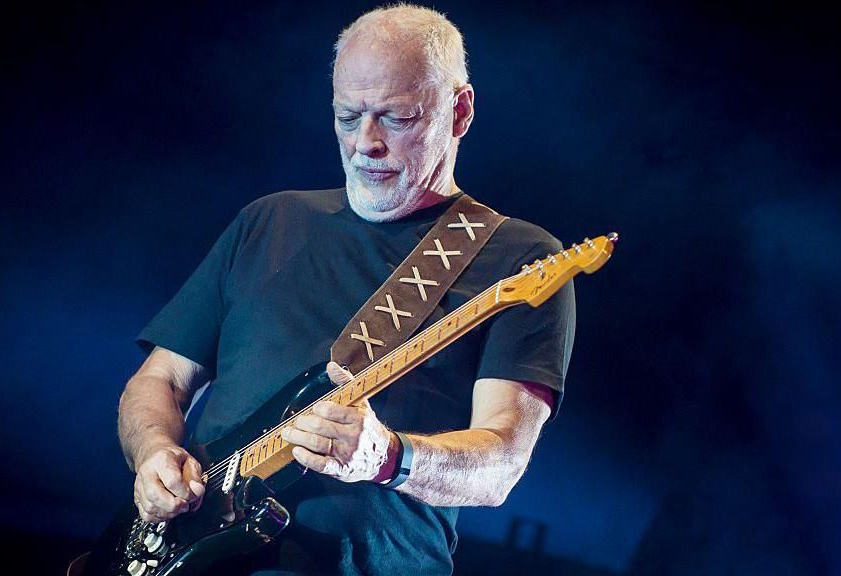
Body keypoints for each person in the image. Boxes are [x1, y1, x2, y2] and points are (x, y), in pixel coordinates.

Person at [117, 5, 575, 575]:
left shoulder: (518, 259)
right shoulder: (269, 220)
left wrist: (388, 458)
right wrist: (155, 452)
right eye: (348, 115)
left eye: (396, 118)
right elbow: (158, 380)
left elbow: (502, 463)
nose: (367, 142)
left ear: (460, 111)